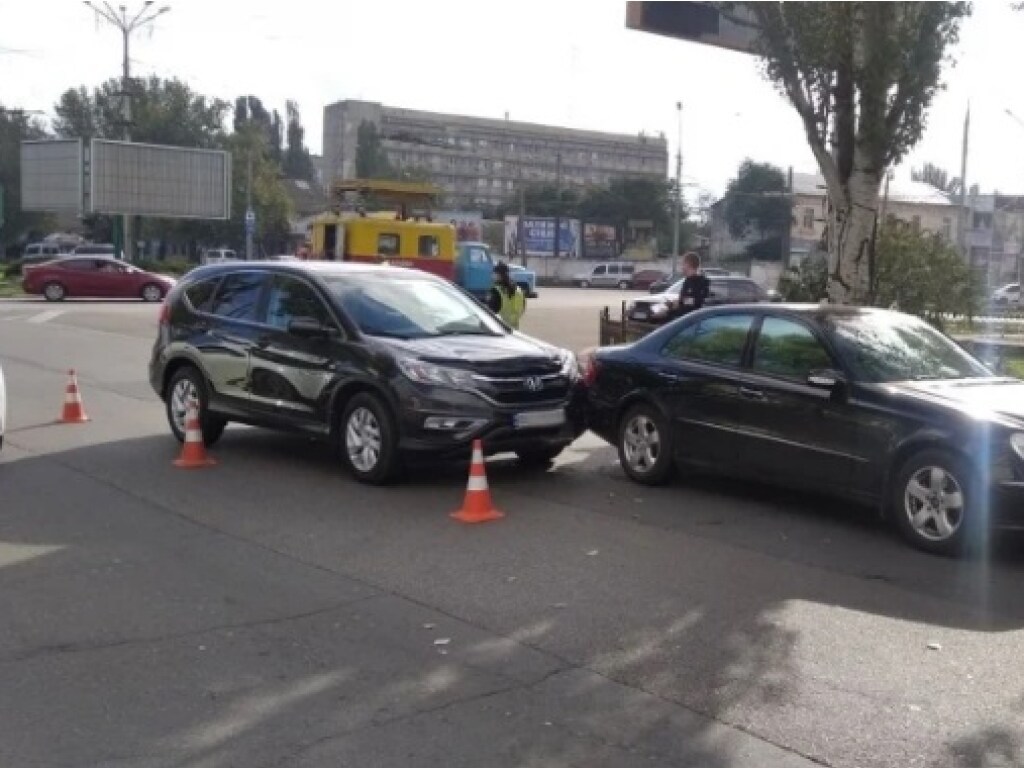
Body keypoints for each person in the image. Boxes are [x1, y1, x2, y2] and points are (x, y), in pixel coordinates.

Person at [668, 252, 711, 321]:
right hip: (682, 319)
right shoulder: (687, 281)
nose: (682, 267)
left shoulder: (702, 282)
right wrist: (672, 305)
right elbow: (685, 299)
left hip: (693, 321)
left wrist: (680, 301)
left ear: (688, 264)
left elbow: (698, 301)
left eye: (683, 264)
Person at [488, 262, 526, 329]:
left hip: (499, 328)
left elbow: (490, 311)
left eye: (494, 273)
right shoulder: (519, 290)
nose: (492, 276)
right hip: (514, 330)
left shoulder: (496, 291)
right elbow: (522, 308)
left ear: (499, 275)